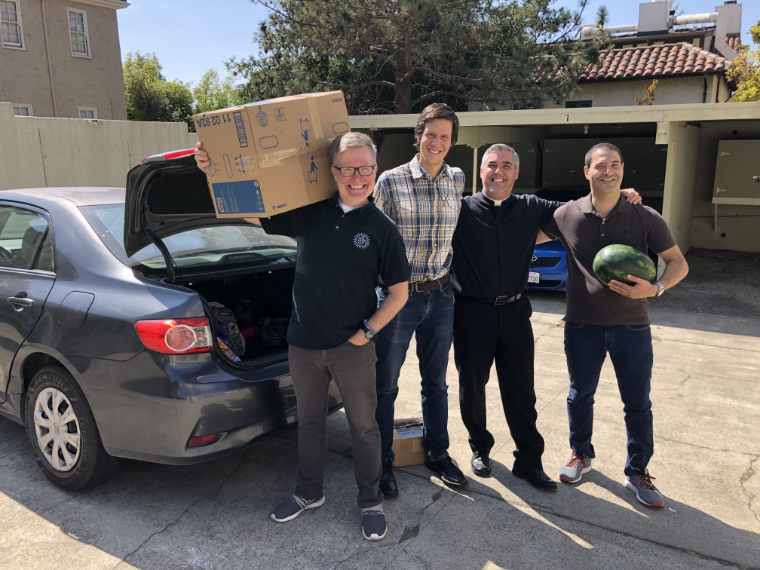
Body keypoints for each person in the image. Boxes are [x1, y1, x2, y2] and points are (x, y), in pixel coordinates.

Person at [194, 133, 411, 540]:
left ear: (375, 172)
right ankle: (309, 492)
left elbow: (400, 292)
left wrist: (367, 333)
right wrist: (213, 172)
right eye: (347, 168)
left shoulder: (383, 230)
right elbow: (250, 214)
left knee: (364, 427)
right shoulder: (310, 213)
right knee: (309, 423)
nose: (356, 176)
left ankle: (370, 500)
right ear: (333, 172)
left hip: (353, 348)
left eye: (364, 167)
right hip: (304, 344)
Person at [452, 144, 641, 489]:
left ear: (516, 172)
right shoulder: (460, 209)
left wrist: (616, 192)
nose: (499, 172)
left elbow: (584, 210)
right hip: (470, 313)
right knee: (471, 389)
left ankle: (528, 460)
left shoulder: (532, 208)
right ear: (480, 171)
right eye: (492, 165)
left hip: (514, 314)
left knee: (522, 392)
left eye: (506, 165)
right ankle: (479, 447)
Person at [538, 142, 688, 508]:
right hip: (581, 325)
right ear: (586, 171)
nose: (610, 171)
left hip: (632, 326)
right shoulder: (567, 215)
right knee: (579, 395)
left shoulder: (644, 216)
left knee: (637, 403)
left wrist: (656, 288)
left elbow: (677, 263)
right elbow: (522, 236)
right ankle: (581, 456)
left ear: (623, 170)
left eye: (616, 165)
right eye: (601, 166)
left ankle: (638, 472)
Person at [373, 103, 467, 495]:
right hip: (399, 298)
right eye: (431, 134)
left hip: (441, 296)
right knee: (386, 384)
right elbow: (373, 244)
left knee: (437, 383)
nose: (437, 142)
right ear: (418, 136)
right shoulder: (390, 181)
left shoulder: (457, 179)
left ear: (452, 142)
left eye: (445, 137)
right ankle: (380, 462)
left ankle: (438, 452)